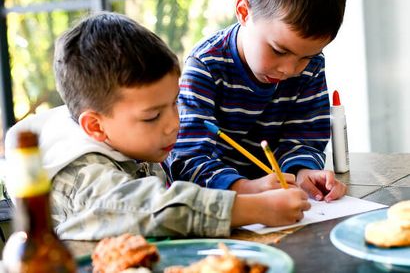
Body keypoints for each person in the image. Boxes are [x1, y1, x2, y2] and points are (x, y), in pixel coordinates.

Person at [5, 12, 310, 241]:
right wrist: (255, 209)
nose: (172, 124)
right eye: (152, 116)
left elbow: (172, 194)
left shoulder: (131, 141)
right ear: (96, 127)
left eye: (175, 103)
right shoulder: (81, 169)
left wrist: (251, 191)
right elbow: (141, 206)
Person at [165, 0, 347, 202]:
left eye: (306, 57)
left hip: (277, 196)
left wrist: (302, 172)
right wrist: (245, 188)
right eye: (279, 50)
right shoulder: (205, 66)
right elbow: (188, 160)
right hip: (218, 201)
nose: (289, 70)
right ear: (243, 12)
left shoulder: (311, 66)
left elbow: (304, 139)